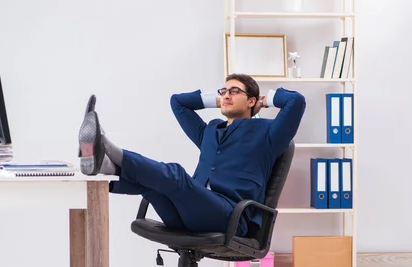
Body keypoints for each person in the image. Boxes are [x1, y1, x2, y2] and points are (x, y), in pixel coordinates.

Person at [78, 73, 306, 237]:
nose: (226, 95)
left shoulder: (269, 133)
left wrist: (264, 101)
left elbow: (296, 102)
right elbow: (177, 102)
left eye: (234, 92)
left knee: (175, 175)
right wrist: (220, 100)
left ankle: (110, 151)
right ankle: (106, 169)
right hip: (187, 214)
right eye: (223, 91)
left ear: (251, 101)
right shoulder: (210, 131)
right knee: (151, 185)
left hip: (231, 216)